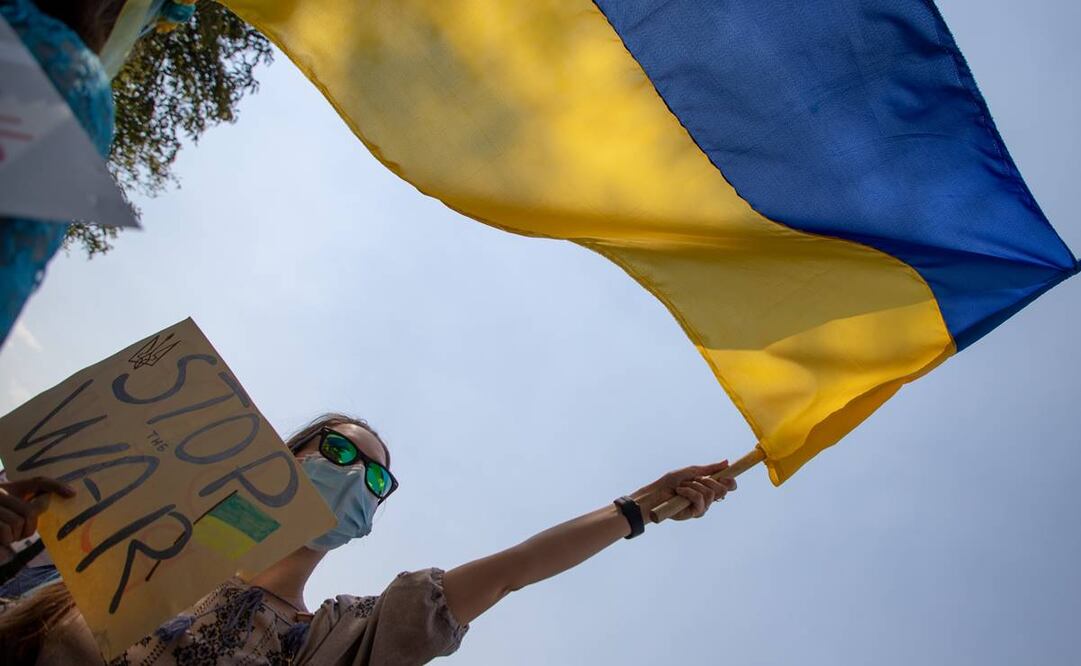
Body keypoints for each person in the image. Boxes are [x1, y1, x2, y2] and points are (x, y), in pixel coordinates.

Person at [0, 413, 737, 664]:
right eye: (342, 453)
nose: (358, 479)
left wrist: (637, 507)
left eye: (377, 482)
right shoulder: (113, 538)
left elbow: (512, 571)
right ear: (284, 455)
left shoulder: (333, 641)